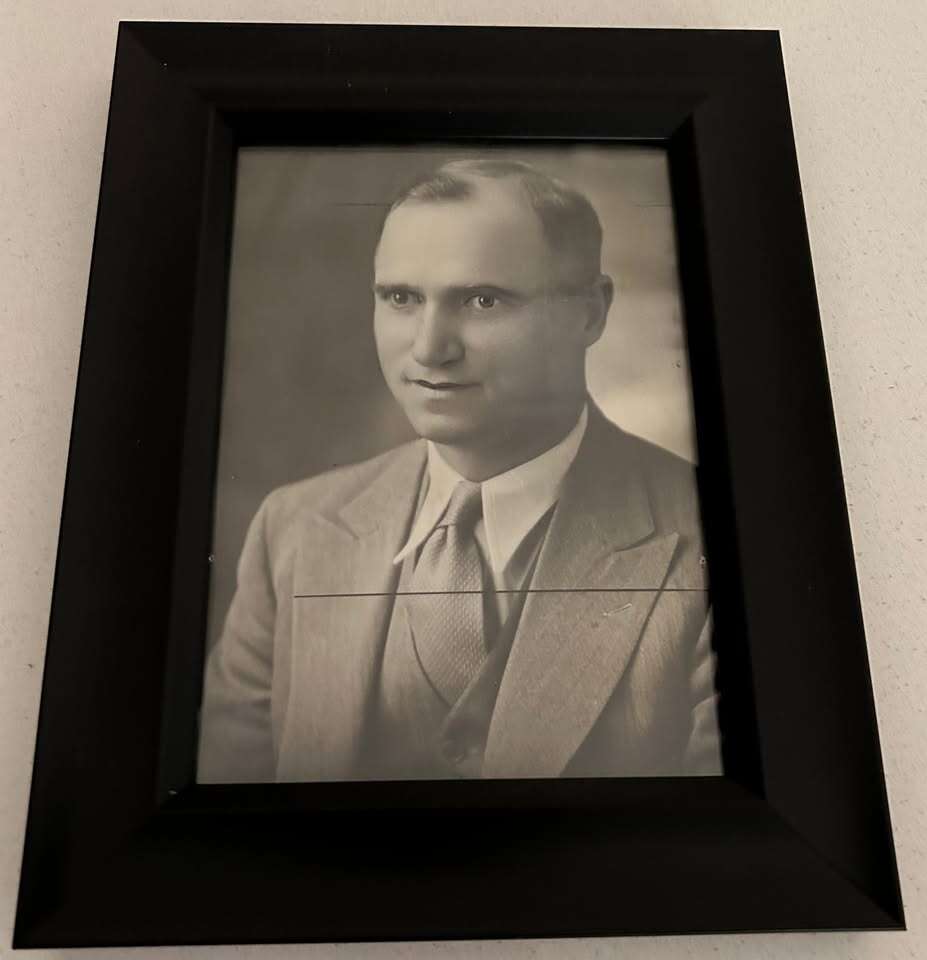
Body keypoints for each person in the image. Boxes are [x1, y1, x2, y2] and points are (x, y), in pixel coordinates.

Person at [198, 158, 722, 783]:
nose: (428, 347)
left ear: (590, 313)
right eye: (400, 298)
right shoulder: (293, 528)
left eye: (482, 299)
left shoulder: (710, 540)